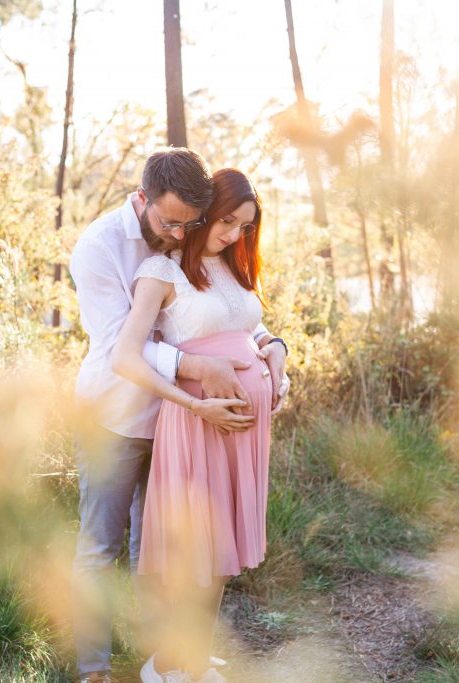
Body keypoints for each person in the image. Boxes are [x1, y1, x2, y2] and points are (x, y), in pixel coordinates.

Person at [68, 150, 288, 683]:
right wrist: (197, 370)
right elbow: (124, 345)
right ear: (142, 200)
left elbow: (218, 311)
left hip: (181, 426)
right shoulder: (99, 250)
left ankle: (166, 660)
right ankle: (93, 670)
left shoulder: (192, 244)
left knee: (161, 553)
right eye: (170, 222)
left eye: (191, 223)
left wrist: (269, 343)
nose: (178, 232)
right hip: (117, 416)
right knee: (101, 545)